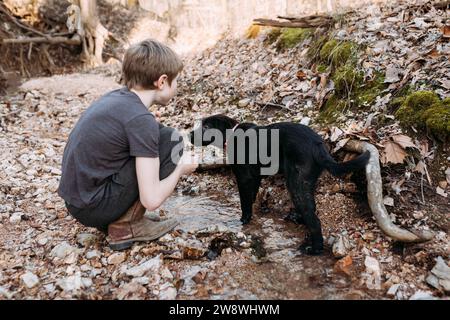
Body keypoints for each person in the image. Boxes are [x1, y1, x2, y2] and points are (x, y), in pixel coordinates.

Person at [58, 39, 198, 251]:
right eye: (176, 80)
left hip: (78, 201)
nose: (177, 85)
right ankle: (126, 226)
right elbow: (151, 201)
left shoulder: (118, 98)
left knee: (164, 135)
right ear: (162, 81)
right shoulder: (140, 120)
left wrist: (149, 127)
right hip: (93, 207)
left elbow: (125, 132)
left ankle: (120, 218)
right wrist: (180, 168)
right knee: (172, 141)